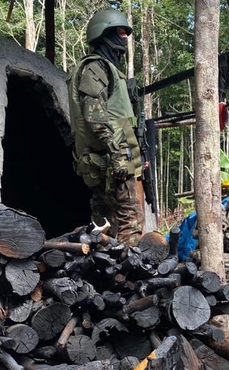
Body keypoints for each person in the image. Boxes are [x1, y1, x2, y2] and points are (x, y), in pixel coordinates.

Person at [67, 9, 145, 246]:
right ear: (104, 33)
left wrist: (135, 154)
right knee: (129, 223)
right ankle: (128, 277)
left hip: (119, 154)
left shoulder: (109, 69)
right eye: (120, 32)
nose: (125, 37)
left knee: (109, 227)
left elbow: (119, 118)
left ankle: (109, 277)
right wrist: (117, 152)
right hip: (111, 159)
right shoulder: (95, 67)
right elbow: (95, 116)